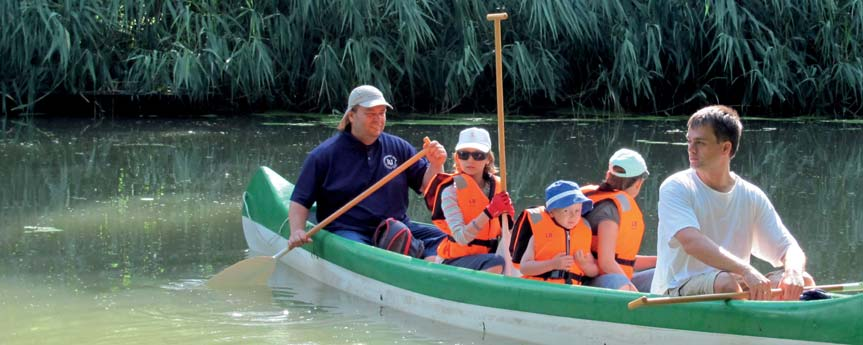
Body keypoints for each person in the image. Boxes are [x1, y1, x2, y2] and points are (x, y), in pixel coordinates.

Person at [652, 105, 815, 301]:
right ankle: (753, 324)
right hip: (675, 290)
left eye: (700, 143)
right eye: (689, 141)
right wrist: (746, 270)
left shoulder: (751, 195)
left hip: (732, 285)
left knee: (803, 282)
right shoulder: (676, 187)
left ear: (725, 148)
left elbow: (790, 248)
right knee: (726, 283)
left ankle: (771, 325)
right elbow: (692, 242)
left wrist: (793, 272)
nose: (691, 149)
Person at [286, 85, 447, 260]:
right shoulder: (324, 155)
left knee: (451, 239)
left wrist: (436, 164)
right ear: (352, 116)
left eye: (382, 112)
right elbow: (301, 200)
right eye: (371, 113)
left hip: (396, 228)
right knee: (362, 253)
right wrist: (297, 231)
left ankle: (428, 260)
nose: (378, 119)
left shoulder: (399, 147)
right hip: (350, 231)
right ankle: (419, 258)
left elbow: (427, 187)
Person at [423, 127, 512, 273]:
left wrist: (509, 221)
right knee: (496, 262)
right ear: (457, 157)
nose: (470, 160)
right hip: (453, 261)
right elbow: (461, 238)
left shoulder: (498, 187)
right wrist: (489, 212)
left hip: (485, 256)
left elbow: (505, 235)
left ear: (488, 158)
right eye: (464, 154)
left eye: (478, 155)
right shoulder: (450, 191)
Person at [582, 148, 656, 292]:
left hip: (608, 277)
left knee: (665, 274)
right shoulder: (609, 210)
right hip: (589, 281)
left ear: (608, 175)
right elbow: (606, 263)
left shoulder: (604, 200)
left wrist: (659, 261)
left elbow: (622, 260)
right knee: (621, 282)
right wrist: (634, 292)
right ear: (638, 183)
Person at [511, 180, 599, 285]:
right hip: (541, 288)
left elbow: (594, 272)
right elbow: (524, 268)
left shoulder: (583, 232)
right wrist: (552, 264)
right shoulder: (539, 233)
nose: (573, 216)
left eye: (577, 210)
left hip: (572, 292)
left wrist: (584, 265)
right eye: (566, 211)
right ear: (551, 212)